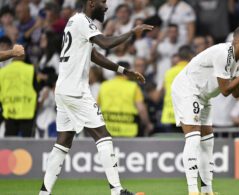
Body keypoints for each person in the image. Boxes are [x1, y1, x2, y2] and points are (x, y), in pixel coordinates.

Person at [38, 0, 153, 194]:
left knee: (63, 141)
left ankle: (44, 192)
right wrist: (133, 32)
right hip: (76, 91)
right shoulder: (83, 21)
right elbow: (106, 43)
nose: (106, 7)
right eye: (102, 2)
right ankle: (117, 190)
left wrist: (123, 70)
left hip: (63, 89)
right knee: (103, 136)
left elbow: (94, 55)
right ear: (91, 2)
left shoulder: (74, 21)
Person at [171, 25, 239, 195]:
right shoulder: (223, 54)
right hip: (187, 90)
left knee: (208, 142)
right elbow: (225, 90)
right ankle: (193, 191)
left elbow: (237, 93)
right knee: (193, 138)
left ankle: (207, 191)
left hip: (204, 96)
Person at [98, 61, 153, 137]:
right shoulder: (133, 87)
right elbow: (141, 109)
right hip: (128, 130)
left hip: (108, 130)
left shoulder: (104, 85)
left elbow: (96, 107)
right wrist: (148, 124)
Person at [0, 53, 38, 137]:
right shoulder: (30, 69)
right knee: (28, 145)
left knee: (10, 144)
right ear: (23, 56)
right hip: (27, 112)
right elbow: (36, 91)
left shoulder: (2, 71)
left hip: (9, 111)